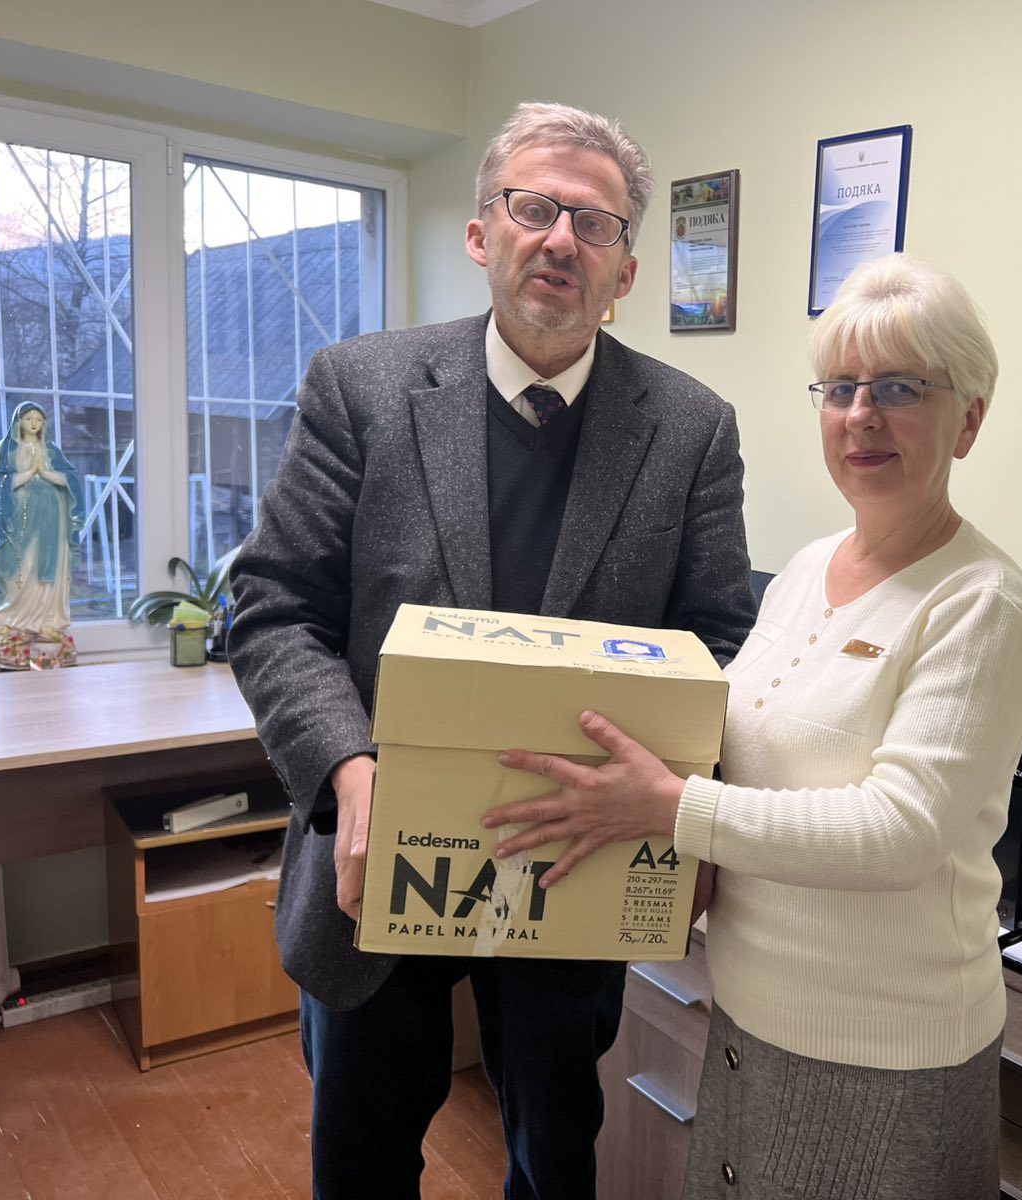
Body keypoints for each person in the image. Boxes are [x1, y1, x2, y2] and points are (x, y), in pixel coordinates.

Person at [227, 100, 756, 1200]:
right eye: (533, 208)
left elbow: (719, 638)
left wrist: (684, 807)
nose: (561, 238)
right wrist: (350, 772)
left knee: (552, 1164)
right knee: (361, 1164)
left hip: (575, 866)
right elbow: (275, 607)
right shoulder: (361, 388)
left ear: (625, 270)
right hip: (378, 861)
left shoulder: (691, 428)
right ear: (482, 233)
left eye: (593, 223)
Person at [486, 254, 1022, 1199]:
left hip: (881, 1052)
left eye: (900, 388)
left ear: (969, 420)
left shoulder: (981, 603)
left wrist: (670, 810)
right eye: (841, 388)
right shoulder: (805, 571)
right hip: (749, 1015)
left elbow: (900, 832)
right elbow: (737, 753)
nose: (861, 415)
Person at [0, 401, 84, 669]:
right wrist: (27, 474)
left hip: (52, 524)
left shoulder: (51, 450)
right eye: (28, 418)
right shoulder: (7, 449)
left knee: (51, 572)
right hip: (20, 525)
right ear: (18, 422)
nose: (34, 423)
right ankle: (15, 623)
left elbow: (70, 481)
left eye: (39, 419)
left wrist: (46, 474)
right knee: (22, 569)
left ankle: (49, 622)